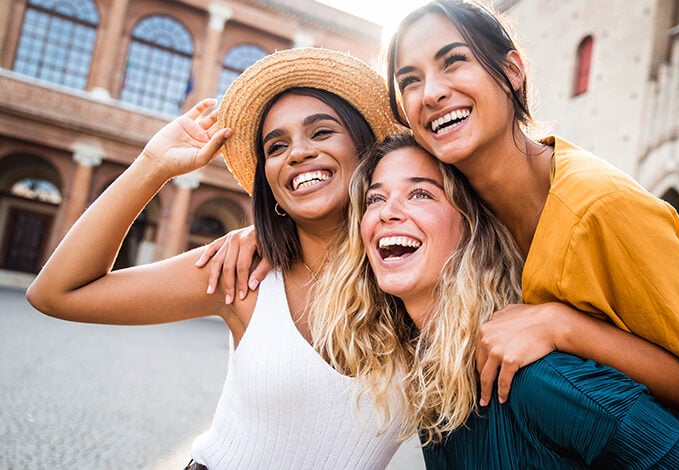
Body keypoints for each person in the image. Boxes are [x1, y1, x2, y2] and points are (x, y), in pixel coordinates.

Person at [385, 0, 679, 466]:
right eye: (410, 80)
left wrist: (560, 325)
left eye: (454, 61)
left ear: (512, 71)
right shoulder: (461, 200)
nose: (431, 93)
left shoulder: (602, 205)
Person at [25, 47, 406, 470]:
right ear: (269, 180)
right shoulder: (242, 276)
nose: (297, 153)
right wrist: (153, 165)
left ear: (367, 150)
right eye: (275, 146)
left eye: (321, 133)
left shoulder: (417, 278)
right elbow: (57, 293)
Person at [311, 132, 679, 468]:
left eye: (421, 193)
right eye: (375, 198)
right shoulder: (433, 379)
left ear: (470, 226)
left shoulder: (543, 381)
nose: (388, 211)